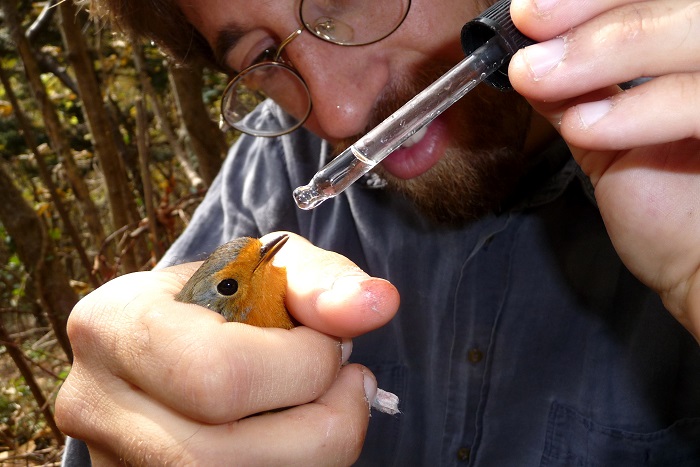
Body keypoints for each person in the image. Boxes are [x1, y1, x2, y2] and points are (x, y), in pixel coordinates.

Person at [57, 0, 700, 465]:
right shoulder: (276, 172)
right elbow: (162, 358)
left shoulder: (680, 136)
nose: (337, 112)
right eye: (264, 55)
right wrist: (136, 394)